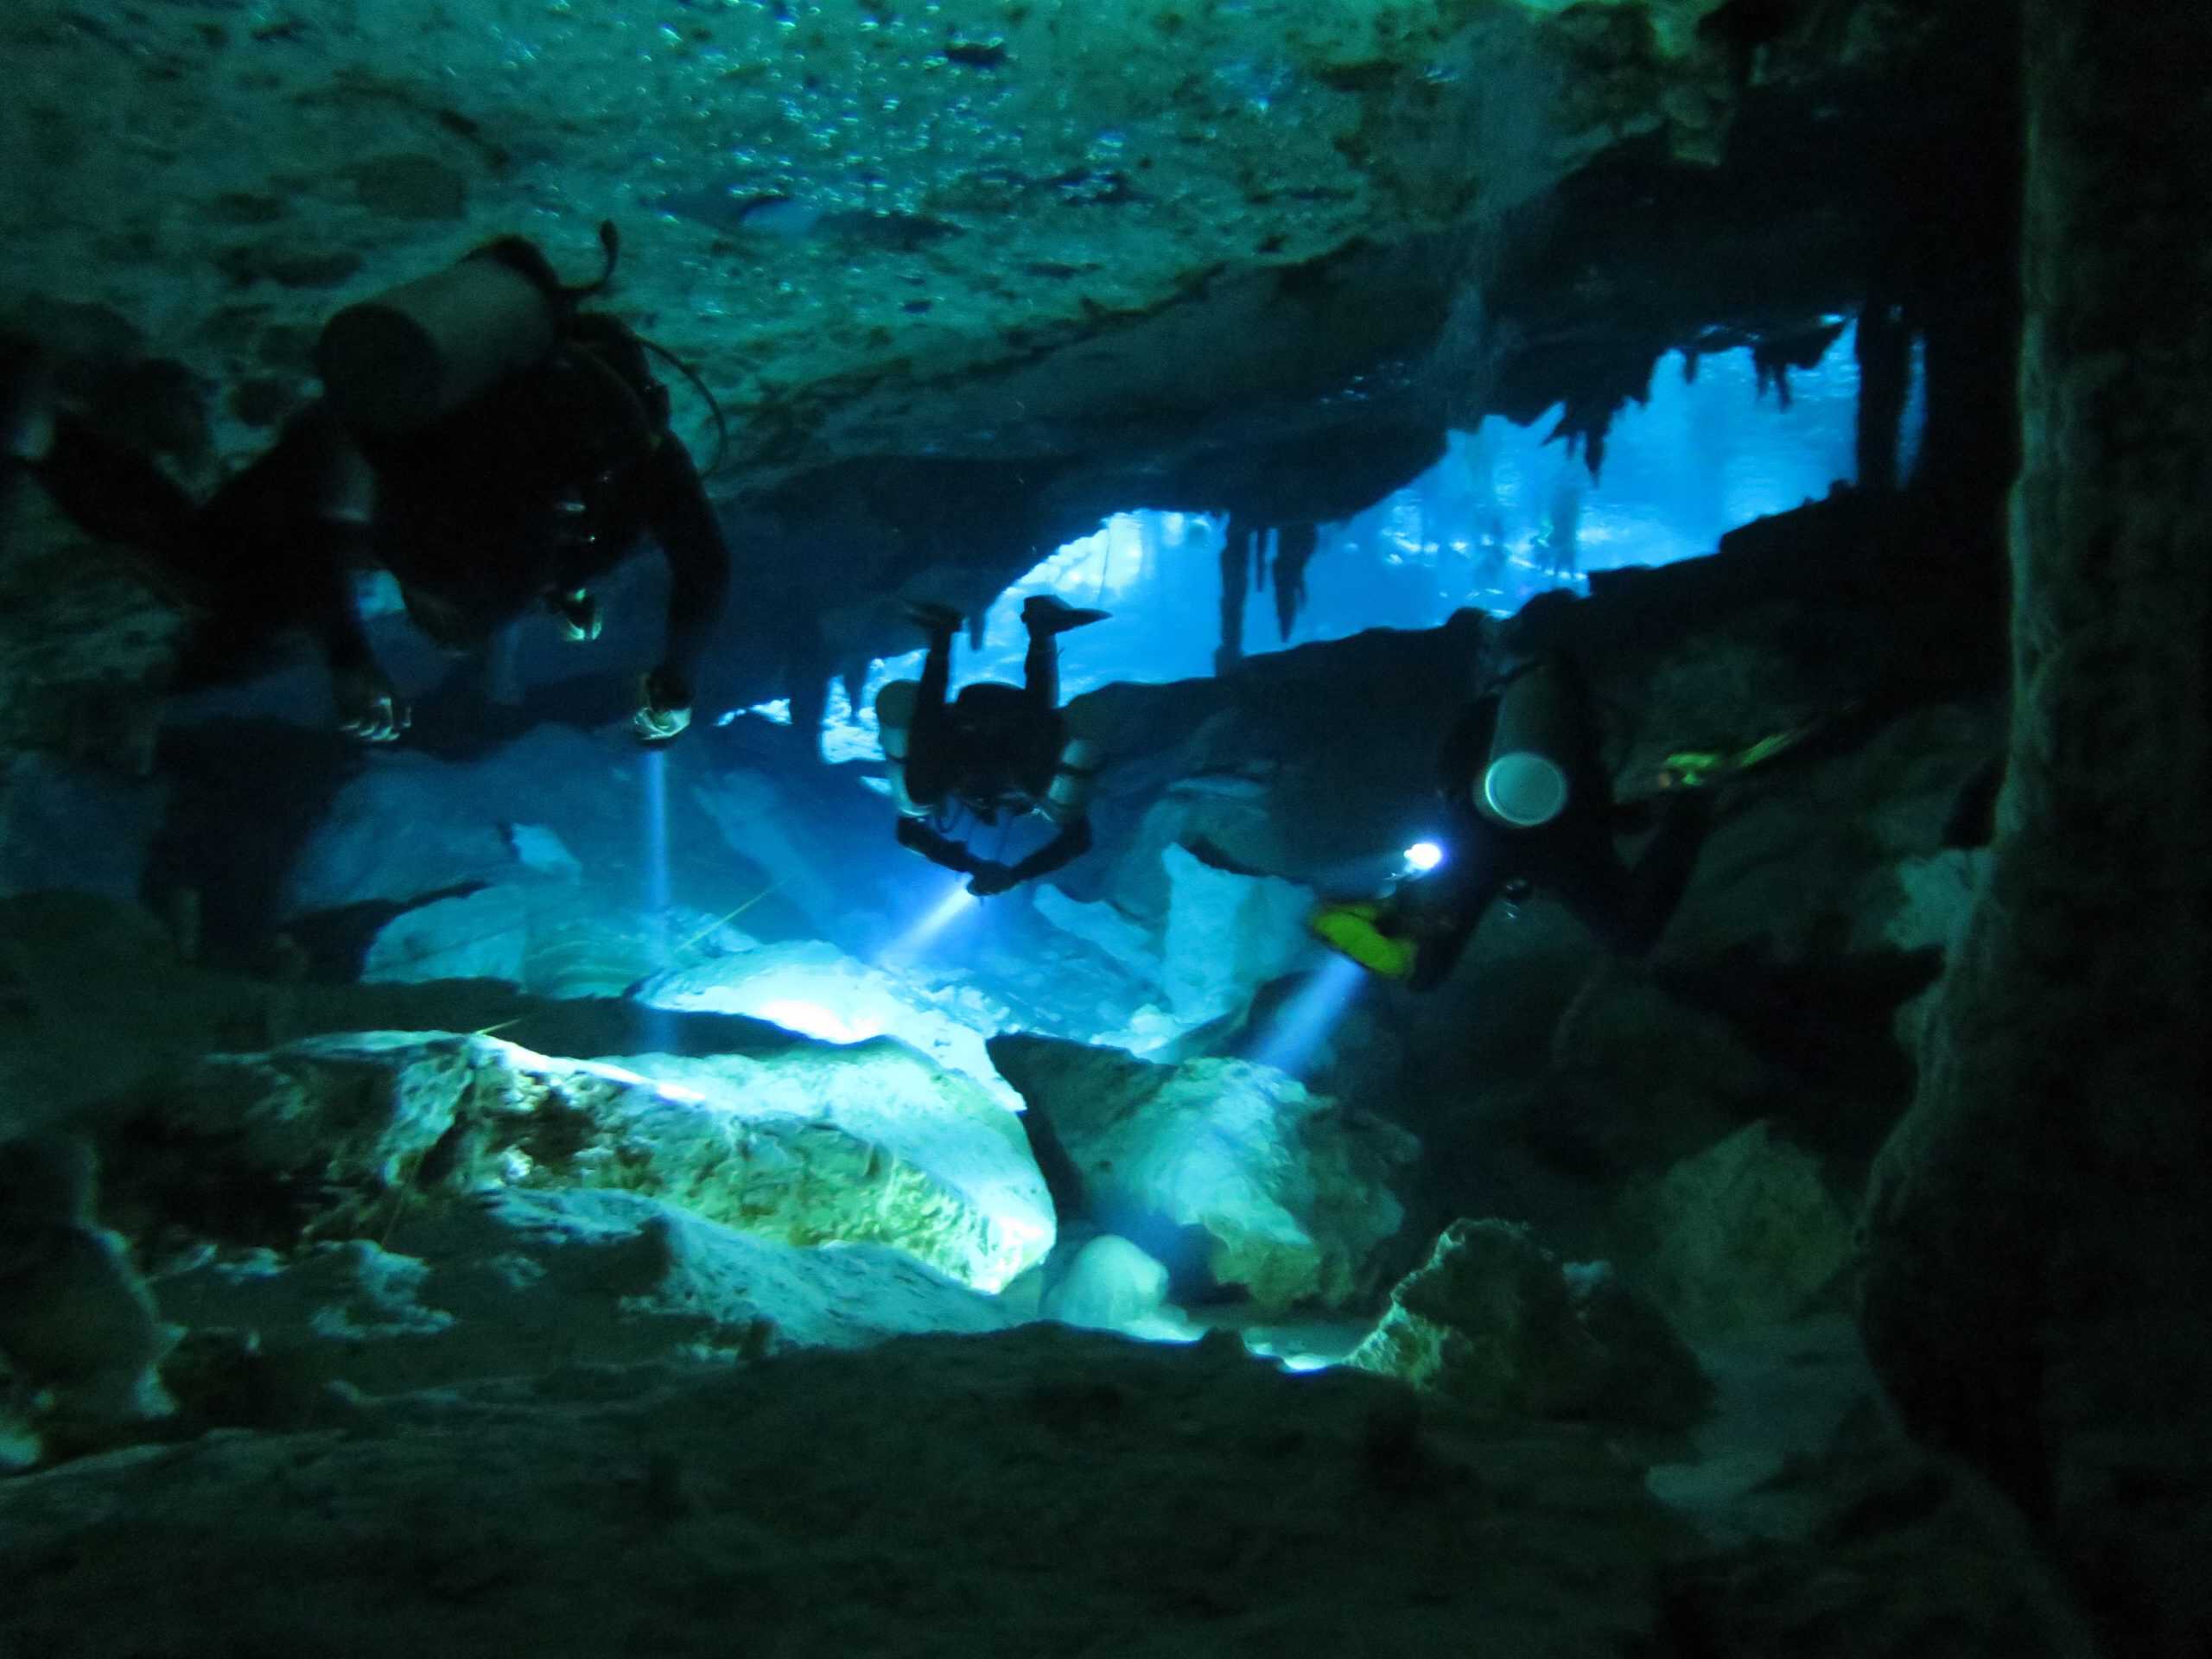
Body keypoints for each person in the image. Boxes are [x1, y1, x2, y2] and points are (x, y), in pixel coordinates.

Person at [0, 225, 728, 745]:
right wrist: (350, 657)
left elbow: (702, 557)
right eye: (430, 609)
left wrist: (678, 673)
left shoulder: (610, 460)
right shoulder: (415, 460)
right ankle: (53, 430)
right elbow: (324, 529)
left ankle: (138, 418)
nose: (429, 625)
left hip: (414, 484)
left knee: (256, 592)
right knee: (212, 580)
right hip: (343, 447)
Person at [1311, 650, 1715, 989]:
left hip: (1484, 840)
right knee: (1629, 932)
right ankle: (1695, 796)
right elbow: (1595, 807)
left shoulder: (1480, 721)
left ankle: (1693, 797)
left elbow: (1449, 784)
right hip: (1545, 831)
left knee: (1423, 971)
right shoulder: (1551, 722)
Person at [877, 594, 1107, 896]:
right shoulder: (1020, 782)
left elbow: (1078, 839)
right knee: (919, 790)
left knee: (918, 792)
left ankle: (1031, 635)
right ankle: (944, 637)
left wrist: (988, 870)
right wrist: (1005, 874)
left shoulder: (1020, 784)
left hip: (977, 731)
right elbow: (907, 833)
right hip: (987, 731)